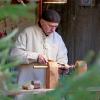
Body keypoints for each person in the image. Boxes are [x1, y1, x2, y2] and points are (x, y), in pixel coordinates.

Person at [10, 9, 70, 99]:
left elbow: (62, 59)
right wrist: (35, 57)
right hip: (28, 86)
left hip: (50, 88)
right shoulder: (27, 33)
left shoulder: (58, 38)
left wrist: (62, 68)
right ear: (42, 22)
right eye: (50, 26)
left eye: (55, 27)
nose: (53, 30)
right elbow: (14, 55)